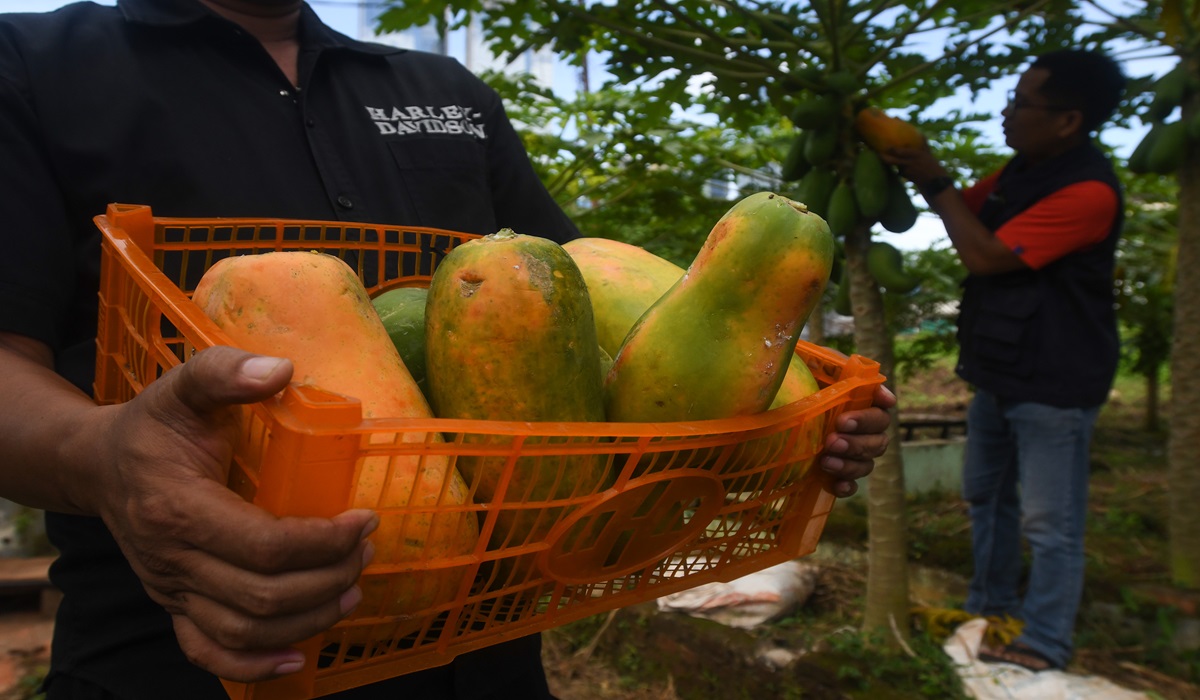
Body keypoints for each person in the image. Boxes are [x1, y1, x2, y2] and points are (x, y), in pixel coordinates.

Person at [0, 1, 895, 698]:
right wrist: (106, 460)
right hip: (186, 649)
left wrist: (792, 407)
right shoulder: (33, 64)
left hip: (489, 636)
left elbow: (578, 304)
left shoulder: (446, 89)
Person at [884, 49, 1127, 672]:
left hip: (1055, 384)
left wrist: (932, 178)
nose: (1007, 113)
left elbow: (987, 255)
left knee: (1051, 522)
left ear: (1068, 120)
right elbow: (964, 207)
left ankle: (1045, 642)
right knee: (985, 497)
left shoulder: (1089, 192)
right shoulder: (1022, 170)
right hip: (999, 370)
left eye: (1022, 103)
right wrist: (909, 167)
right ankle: (989, 605)